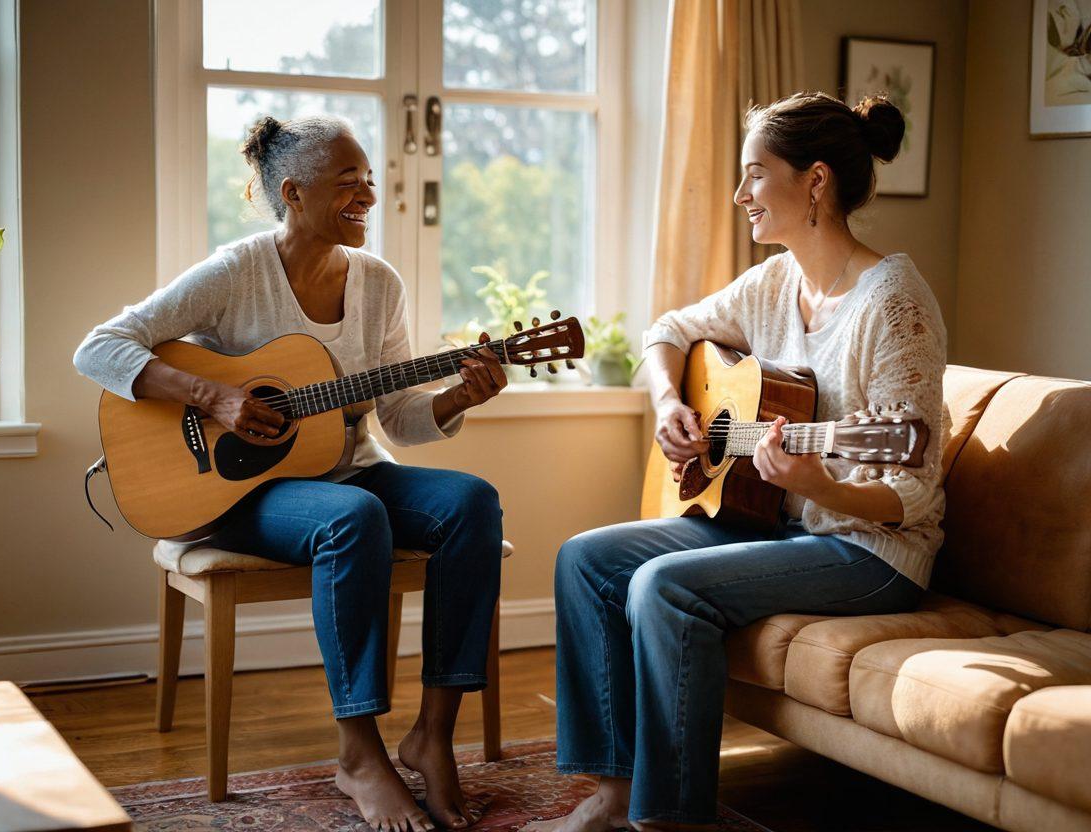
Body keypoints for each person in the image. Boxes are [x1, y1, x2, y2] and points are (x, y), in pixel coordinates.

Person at [74, 115, 506, 832]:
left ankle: (432, 734)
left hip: (351, 471)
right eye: (349, 181)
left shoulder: (378, 283)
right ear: (293, 192)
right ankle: (359, 753)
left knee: (473, 503)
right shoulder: (235, 272)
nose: (367, 192)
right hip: (244, 492)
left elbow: (397, 419)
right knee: (352, 519)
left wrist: (458, 395)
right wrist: (213, 394)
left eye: (370, 179)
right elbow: (98, 346)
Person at [529, 92, 947, 831]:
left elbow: (910, 489)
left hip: (871, 549)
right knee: (584, 560)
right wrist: (668, 405)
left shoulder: (895, 303)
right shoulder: (775, 283)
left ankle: (672, 817)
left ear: (814, 182)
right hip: (784, 523)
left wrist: (822, 484)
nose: (739, 194)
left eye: (755, 175)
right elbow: (669, 330)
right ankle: (613, 794)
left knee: (663, 585)